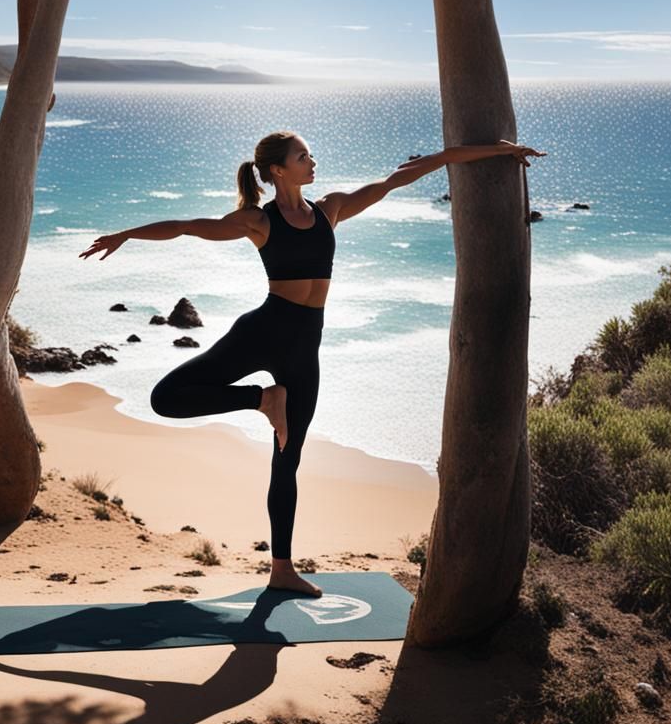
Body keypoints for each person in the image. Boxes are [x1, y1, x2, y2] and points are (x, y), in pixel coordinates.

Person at [79, 131, 546, 596]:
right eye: (303, 156)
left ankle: (281, 569)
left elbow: (405, 175)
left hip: (304, 347)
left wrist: (499, 150)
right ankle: (261, 399)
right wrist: (126, 235)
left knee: (288, 460)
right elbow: (185, 225)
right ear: (279, 170)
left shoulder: (331, 209)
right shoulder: (257, 222)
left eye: (310, 154)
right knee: (166, 398)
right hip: (261, 332)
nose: (312, 161)